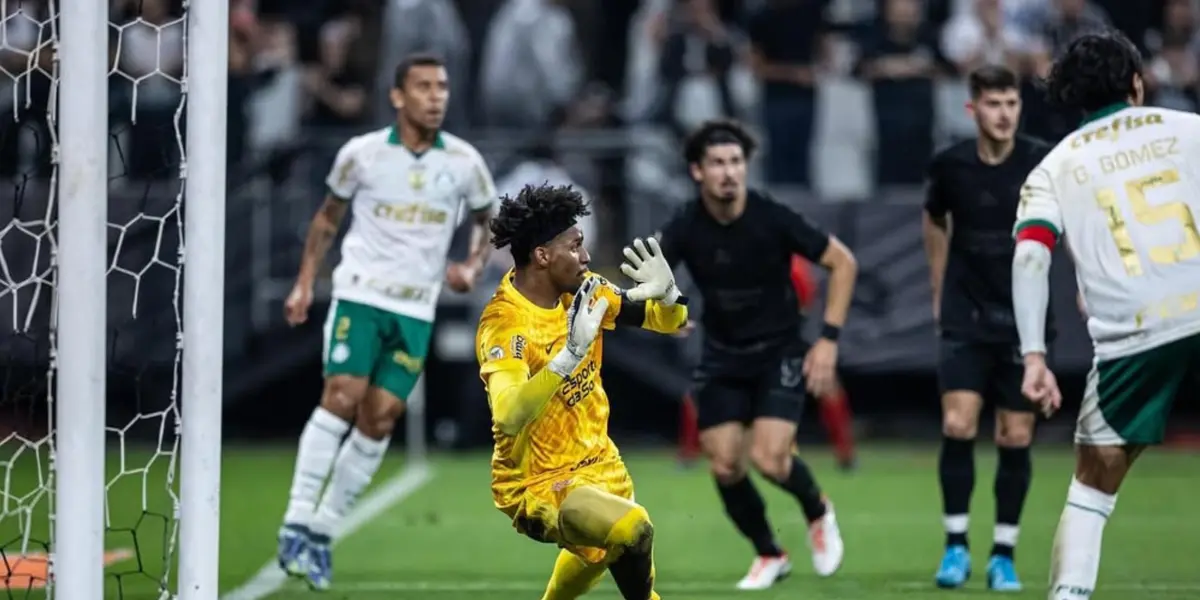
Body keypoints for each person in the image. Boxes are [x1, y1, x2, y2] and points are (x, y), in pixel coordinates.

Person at [275, 53, 496, 590]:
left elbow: (488, 220)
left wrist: (471, 265)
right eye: (423, 87)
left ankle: (323, 532)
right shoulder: (363, 154)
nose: (435, 96)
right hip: (360, 294)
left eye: (441, 86)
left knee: (380, 417)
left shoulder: (465, 162)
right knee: (343, 394)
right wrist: (306, 281)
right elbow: (327, 218)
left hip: (416, 307)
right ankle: (297, 517)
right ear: (398, 96)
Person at [1014, 31, 1200, 600]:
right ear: (1137, 83)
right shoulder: (1190, 129)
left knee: (1092, 487)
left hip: (1136, 334)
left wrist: (1034, 356)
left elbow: (1029, 256)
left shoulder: (1053, 167)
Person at [657, 119, 857, 590]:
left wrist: (828, 339)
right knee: (725, 464)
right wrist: (664, 309)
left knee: (771, 460)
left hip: (779, 351)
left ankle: (817, 508)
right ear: (697, 172)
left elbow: (843, 262)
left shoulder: (772, 217)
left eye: (736, 162)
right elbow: (650, 275)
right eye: (718, 163)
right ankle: (770, 553)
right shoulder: (686, 224)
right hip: (722, 355)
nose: (729, 172)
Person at [476, 183, 688, 600]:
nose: (586, 256)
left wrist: (669, 295)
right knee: (632, 529)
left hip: (601, 466)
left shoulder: (583, 290)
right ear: (542, 255)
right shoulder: (504, 322)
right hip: (539, 483)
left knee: (601, 550)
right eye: (575, 246)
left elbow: (668, 322)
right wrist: (569, 356)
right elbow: (508, 413)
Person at [922, 64, 1053, 591]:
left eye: (1012, 103)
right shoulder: (950, 165)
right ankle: (955, 546)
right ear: (972, 108)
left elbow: (1069, 220)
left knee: (1014, 433)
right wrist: (937, 288)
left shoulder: (1041, 162)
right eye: (994, 104)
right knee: (957, 424)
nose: (1005, 113)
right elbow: (933, 217)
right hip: (965, 315)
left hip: (1023, 321)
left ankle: (1004, 552)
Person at [789, 255, 858, 471]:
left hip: (797, 332)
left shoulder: (794, 260)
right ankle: (690, 452)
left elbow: (805, 295)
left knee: (826, 385)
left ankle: (846, 453)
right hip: (756, 335)